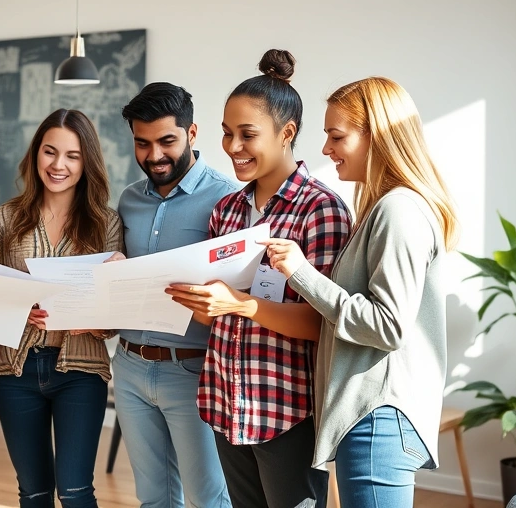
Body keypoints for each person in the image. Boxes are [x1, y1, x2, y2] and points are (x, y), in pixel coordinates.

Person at [165, 49, 352, 508]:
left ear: (287, 133)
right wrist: (203, 304)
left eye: (247, 135)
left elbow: (323, 322)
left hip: (287, 411)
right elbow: (219, 318)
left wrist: (239, 304)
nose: (232, 147)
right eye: (227, 134)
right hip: (226, 404)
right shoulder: (227, 210)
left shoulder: (321, 210)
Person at [261, 76, 458, 507]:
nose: (326, 149)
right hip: (375, 418)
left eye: (337, 136)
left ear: (380, 135)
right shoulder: (383, 208)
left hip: (378, 419)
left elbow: (387, 327)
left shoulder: (399, 210)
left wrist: (301, 273)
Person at [0, 108, 123, 508]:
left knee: (75, 492)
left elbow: (114, 322)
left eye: (72, 156)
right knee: (34, 492)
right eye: (49, 152)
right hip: (14, 372)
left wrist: (98, 311)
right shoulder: (6, 218)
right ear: (35, 155)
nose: (58, 165)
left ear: (86, 161)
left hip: (81, 372)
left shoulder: (105, 222)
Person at [113, 83, 238, 508]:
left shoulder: (227, 199)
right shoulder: (128, 200)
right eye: (142, 144)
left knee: (208, 499)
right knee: (153, 498)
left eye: (167, 141)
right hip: (129, 366)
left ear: (192, 133)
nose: (154, 156)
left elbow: (237, 292)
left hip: (193, 372)